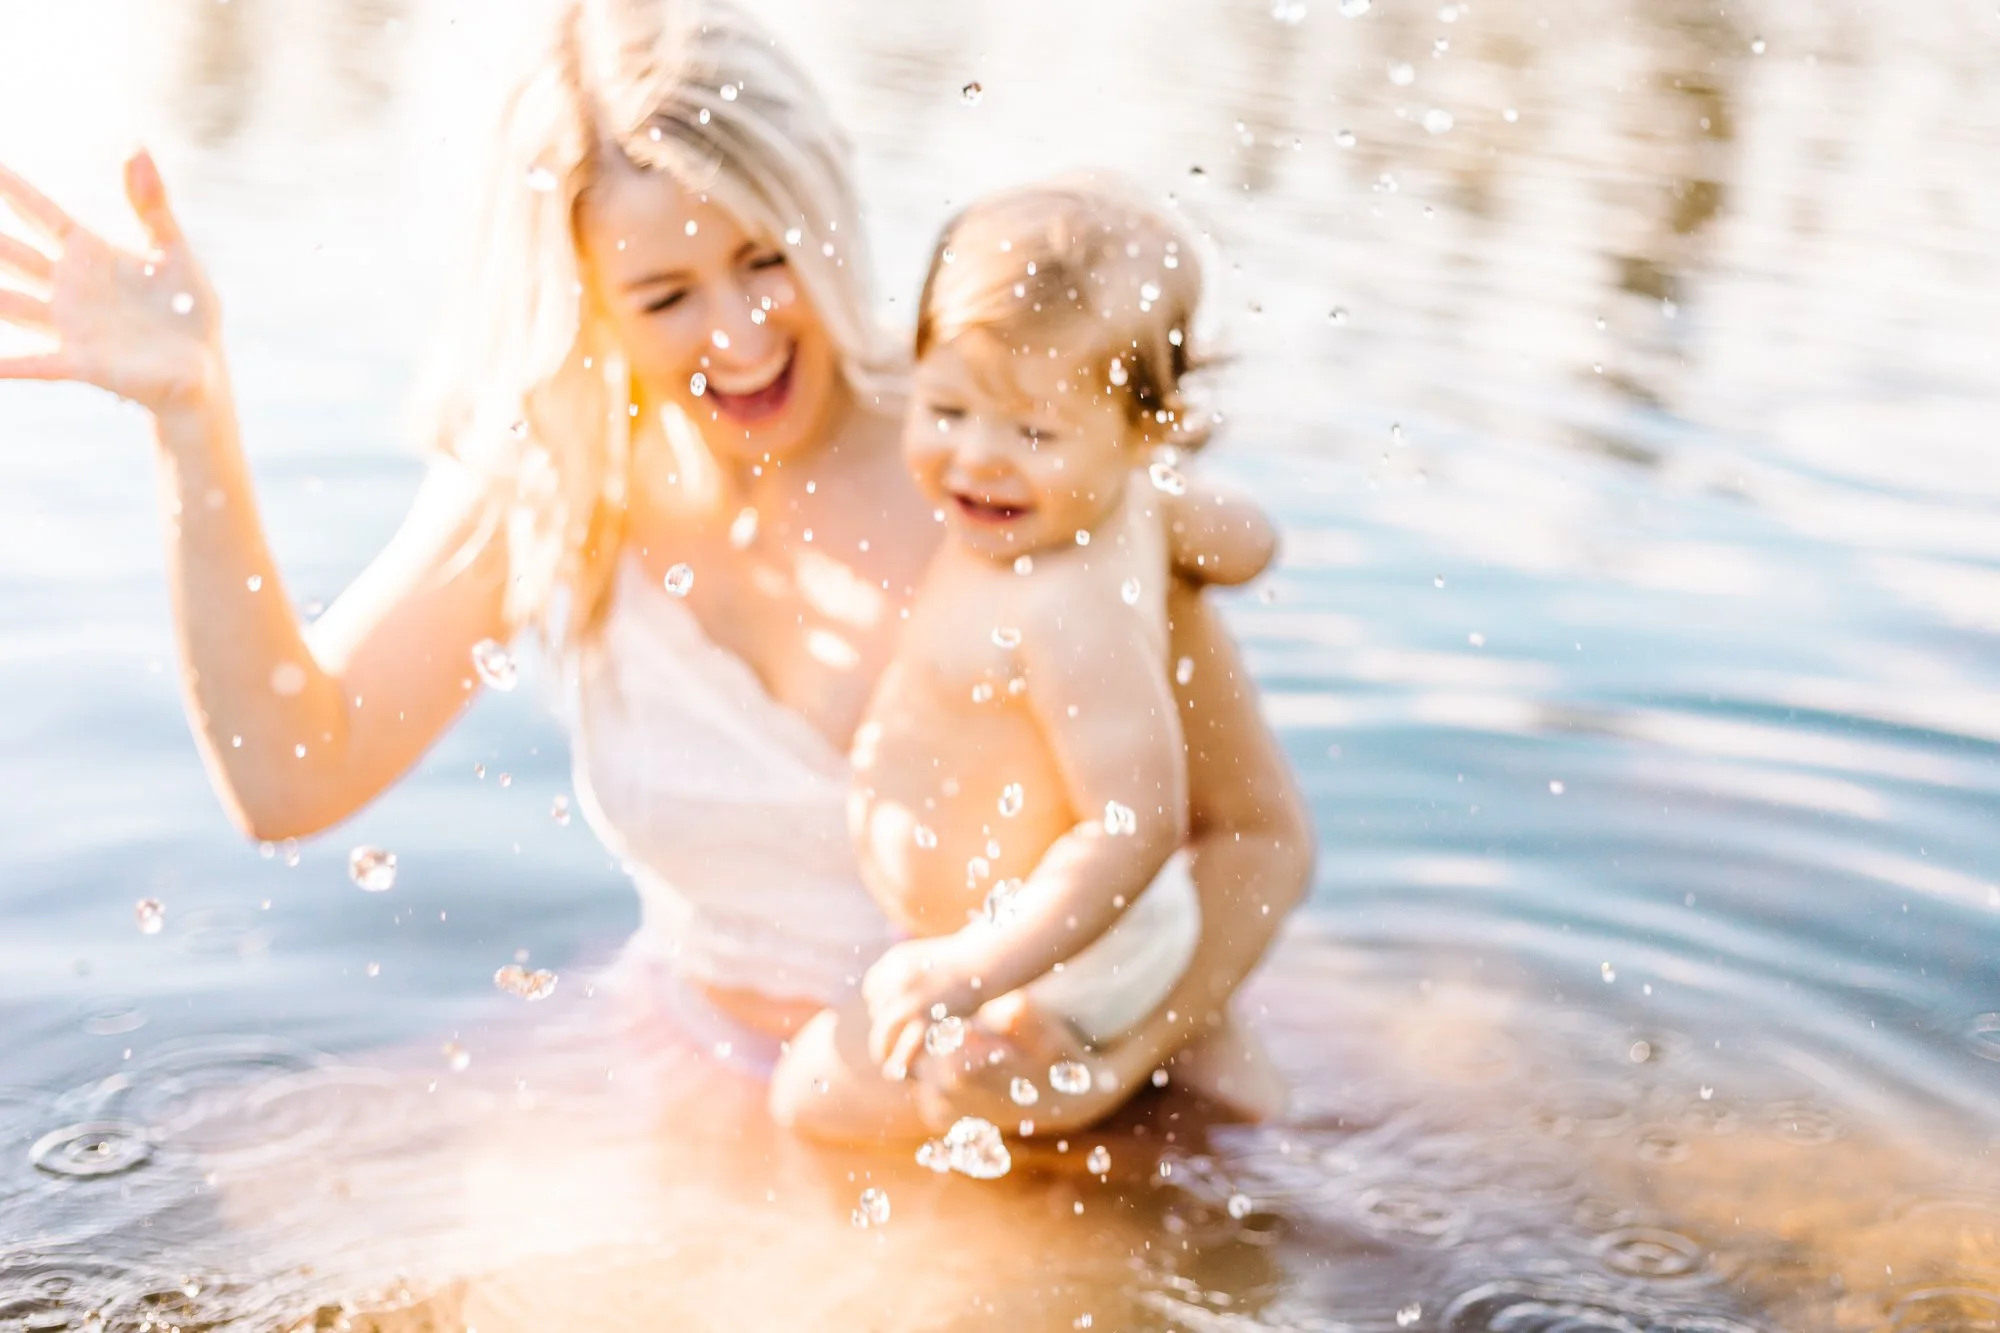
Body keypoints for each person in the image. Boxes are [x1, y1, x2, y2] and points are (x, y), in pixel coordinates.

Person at [0, 0, 1313, 1142]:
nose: (741, 334)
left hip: (1020, 1121)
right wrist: (194, 417)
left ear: (822, 214)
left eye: (763, 258)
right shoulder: (555, 491)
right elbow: (287, 777)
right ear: (583, 292)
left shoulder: (1006, 470)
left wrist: (1099, 1071)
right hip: (707, 1071)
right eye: (667, 292)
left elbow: (1252, 837)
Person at [838, 177, 1279, 1125]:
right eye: (947, 410)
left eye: (1033, 431)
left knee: (828, 1102)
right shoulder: (1116, 501)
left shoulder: (1066, 605)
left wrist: (974, 969)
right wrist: (1182, 514)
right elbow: (1249, 545)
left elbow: (1135, 826)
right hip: (1021, 934)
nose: (978, 459)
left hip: (1075, 953)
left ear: (1142, 432)